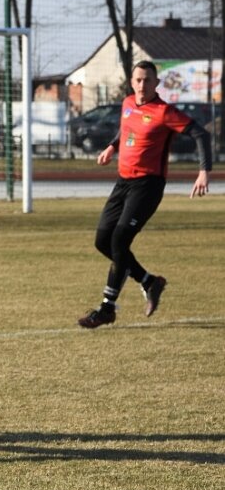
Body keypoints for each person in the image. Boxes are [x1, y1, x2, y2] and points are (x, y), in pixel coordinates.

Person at [78, 60, 212, 328]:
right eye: (138, 80)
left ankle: (107, 308)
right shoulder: (128, 103)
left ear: (156, 83)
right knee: (103, 241)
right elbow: (126, 128)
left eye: (147, 80)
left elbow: (201, 134)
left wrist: (204, 171)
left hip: (147, 186)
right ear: (132, 81)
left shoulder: (164, 112)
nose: (142, 85)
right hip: (122, 183)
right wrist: (112, 146)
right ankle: (150, 282)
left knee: (119, 240)